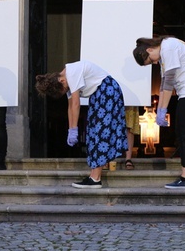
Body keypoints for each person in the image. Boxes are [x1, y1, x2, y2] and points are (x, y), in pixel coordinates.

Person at [35, 60, 128, 189]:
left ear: (61, 81)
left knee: (100, 132)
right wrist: (70, 129)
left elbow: (76, 104)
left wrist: (74, 128)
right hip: (99, 94)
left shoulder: (72, 72)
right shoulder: (66, 78)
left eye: (65, 89)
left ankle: (95, 178)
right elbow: (70, 106)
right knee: (94, 132)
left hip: (107, 91)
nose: (67, 90)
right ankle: (94, 176)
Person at [133, 35, 185, 189]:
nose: (155, 62)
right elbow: (162, 86)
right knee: (181, 134)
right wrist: (159, 110)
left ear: (149, 49)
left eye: (151, 60)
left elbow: (168, 82)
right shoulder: (165, 50)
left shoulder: (169, 47)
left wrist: (163, 109)